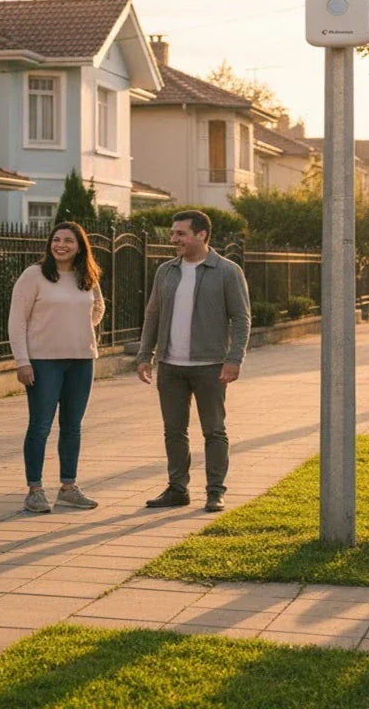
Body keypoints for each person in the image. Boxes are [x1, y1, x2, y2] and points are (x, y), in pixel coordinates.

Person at [137, 210, 251, 513]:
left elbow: (241, 319)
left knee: (214, 430)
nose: (174, 239)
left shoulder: (227, 271)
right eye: (173, 233)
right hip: (170, 366)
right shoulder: (166, 271)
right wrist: (145, 355)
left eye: (180, 234)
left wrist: (234, 359)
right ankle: (177, 489)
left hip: (210, 366)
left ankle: (215, 491)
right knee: (173, 431)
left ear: (201, 235)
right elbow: (153, 315)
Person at [8, 221, 106, 514]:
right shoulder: (34, 275)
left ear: (80, 247)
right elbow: (17, 321)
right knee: (40, 426)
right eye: (57, 239)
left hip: (82, 361)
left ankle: (68, 487)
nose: (61, 245)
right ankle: (35, 490)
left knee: (72, 426)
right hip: (43, 362)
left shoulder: (86, 276)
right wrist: (22, 360)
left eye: (69, 241)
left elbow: (98, 308)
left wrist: (79, 330)